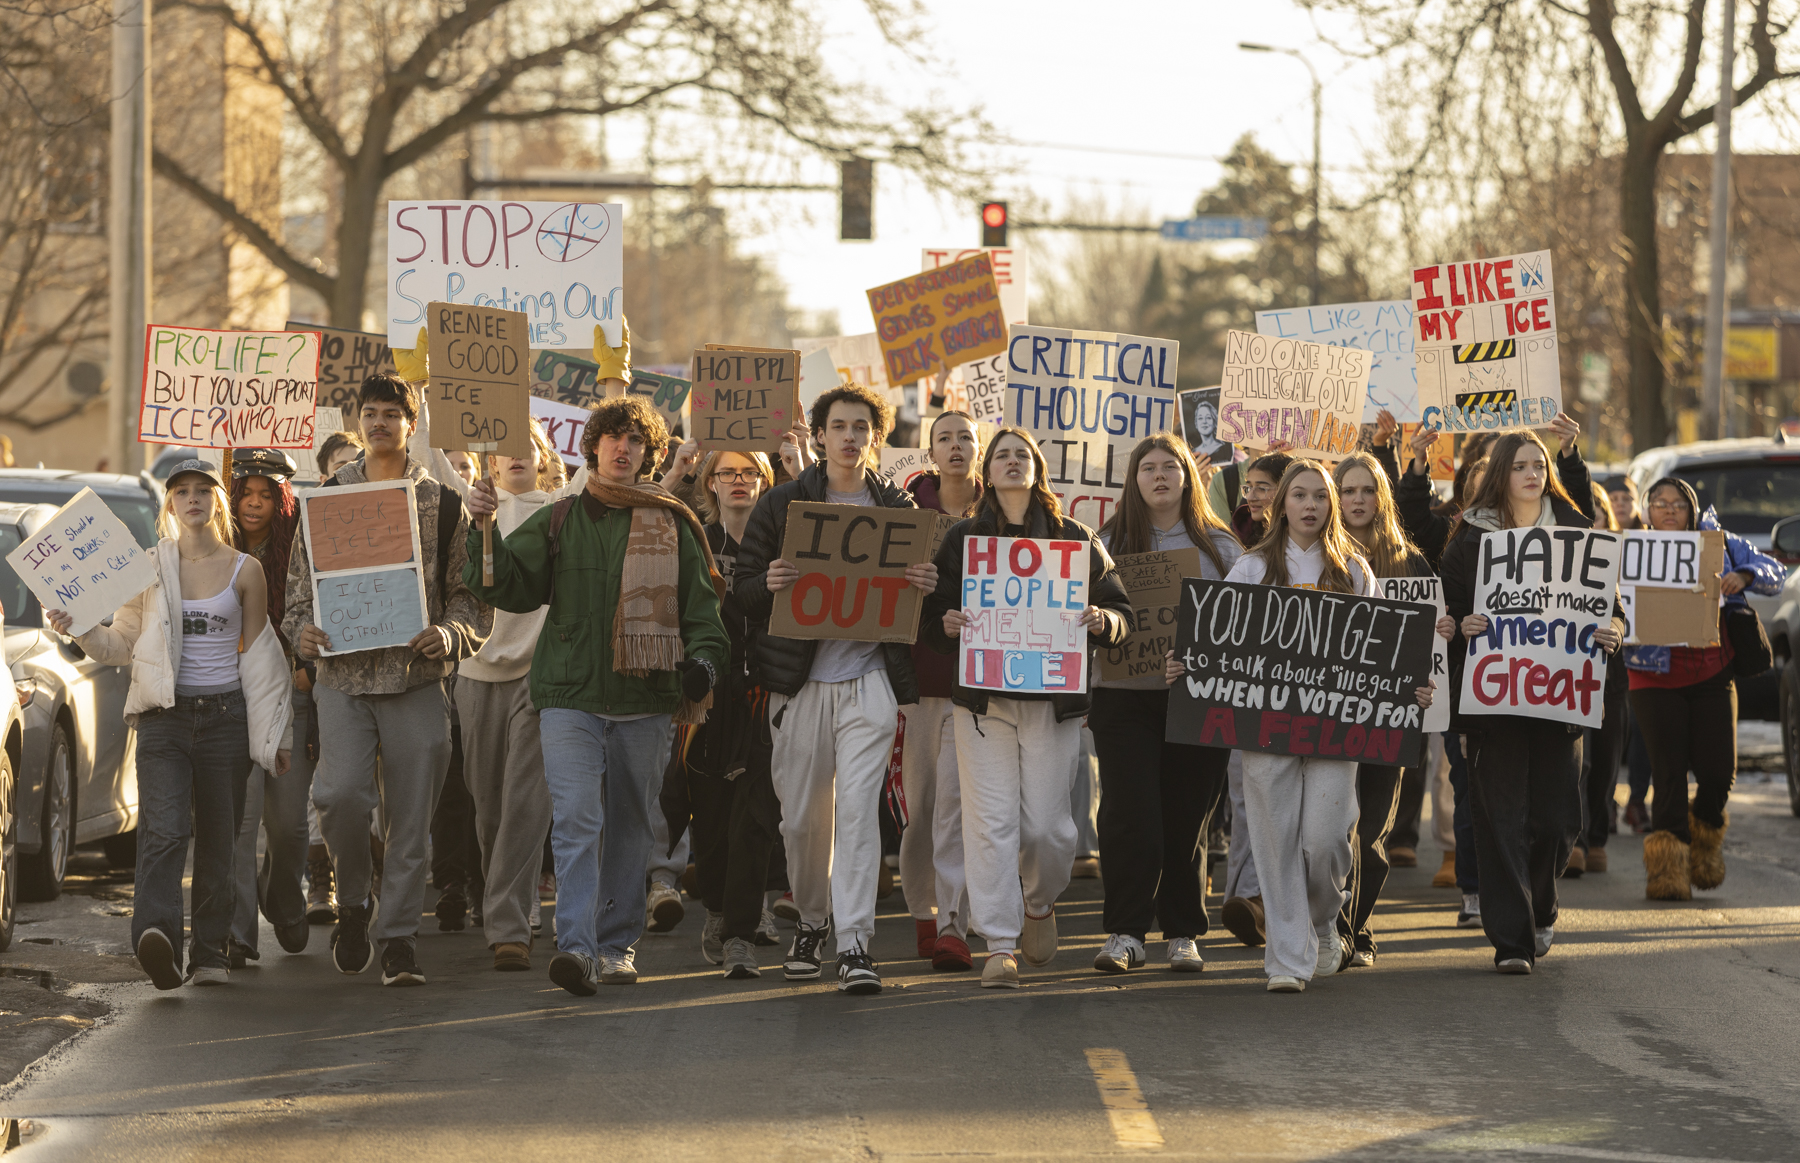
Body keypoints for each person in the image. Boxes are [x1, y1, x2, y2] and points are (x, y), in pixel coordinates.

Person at [464, 396, 728, 995]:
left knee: (632, 826)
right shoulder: (560, 518)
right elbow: (506, 583)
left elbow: (703, 613)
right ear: (592, 449)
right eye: (611, 437)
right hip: (569, 697)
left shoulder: (673, 524)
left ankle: (617, 947)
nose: (622, 448)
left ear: (650, 454)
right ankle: (577, 949)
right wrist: (481, 524)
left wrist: (704, 666)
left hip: (646, 701)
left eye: (635, 440)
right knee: (578, 820)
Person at [51, 460, 291, 988]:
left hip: (226, 717)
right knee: (163, 829)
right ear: (170, 505)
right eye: (181, 491)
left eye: (202, 489)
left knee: (218, 837)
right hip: (164, 717)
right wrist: (84, 629)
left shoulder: (244, 570)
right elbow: (121, 644)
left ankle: (209, 952)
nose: (192, 498)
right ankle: (156, 937)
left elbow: (260, 658)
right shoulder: (147, 568)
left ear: (216, 502)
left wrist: (274, 734)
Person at [285, 373, 487, 988]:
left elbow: (471, 599)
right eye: (369, 413)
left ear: (412, 419)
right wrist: (303, 633)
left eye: (391, 414)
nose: (379, 423)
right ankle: (353, 903)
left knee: (410, 819)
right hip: (343, 681)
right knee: (340, 796)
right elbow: (297, 595)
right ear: (359, 419)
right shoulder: (327, 498)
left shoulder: (444, 504)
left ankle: (398, 937)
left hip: (418, 681)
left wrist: (449, 636)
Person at [734, 383, 937, 996]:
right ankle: (813, 923)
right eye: (838, 426)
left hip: (870, 684)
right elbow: (740, 591)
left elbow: (918, 615)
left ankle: (854, 942)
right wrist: (766, 581)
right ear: (819, 435)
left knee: (856, 814)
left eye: (860, 427)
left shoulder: (899, 512)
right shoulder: (781, 505)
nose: (849, 436)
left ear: (875, 438)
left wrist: (927, 586)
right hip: (797, 687)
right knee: (801, 822)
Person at [1197, 460, 1429, 992]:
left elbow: (1384, 651)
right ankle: (1285, 959)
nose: (1310, 505)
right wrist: (1191, 668)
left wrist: (1409, 687)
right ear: (1281, 506)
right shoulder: (1251, 569)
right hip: (1266, 732)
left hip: (1334, 732)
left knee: (1326, 841)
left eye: (1319, 496)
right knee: (1275, 843)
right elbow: (1220, 643)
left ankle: (1325, 920)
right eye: (1298, 495)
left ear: (1330, 506)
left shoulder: (1354, 570)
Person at [923, 427, 1133, 989]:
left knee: (1047, 829)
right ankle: (999, 943)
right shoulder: (963, 541)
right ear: (987, 473)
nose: (1012, 463)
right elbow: (933, 612)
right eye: (1002, 456)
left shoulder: (1078, 540)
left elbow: (1121, 612)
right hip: (982, 704)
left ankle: (1038, 902)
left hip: (1051, 704)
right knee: (989, 825)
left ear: (1038, 469)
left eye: (1022, 455)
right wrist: (943, 625)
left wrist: (1102, 621)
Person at [1441, 418, 1620, 974]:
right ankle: (1512, 940)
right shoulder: (1470, 536)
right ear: (1500, 473)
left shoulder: (1574, 526)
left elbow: (1607, 601)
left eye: (1538, 465)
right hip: (1493, 701)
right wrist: (1460, 625)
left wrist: (1614, 626)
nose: (1531, 474)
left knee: (1558, 816)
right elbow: (1444, 612)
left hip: (1560, 699)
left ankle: (1541, 906)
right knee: (1499, 815)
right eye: (1519, 466)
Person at [1090, 435, 1239, 974]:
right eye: (1147, 468)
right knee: (1131, 816)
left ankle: (1181, 932)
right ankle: (1125, 933)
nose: (1158, 476)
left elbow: (1243, 623)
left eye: (1168, 466)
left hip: (1196, 701)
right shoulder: (1105, 541)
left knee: (1185, 821)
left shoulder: (1222, 548)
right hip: (1122, 699)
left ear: (1187, 476)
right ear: (1133, 480)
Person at [1626, 477, 1782, 900]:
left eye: (1679, 503)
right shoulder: (1630, 550)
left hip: (1714, 672)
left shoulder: (1719, 543)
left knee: (1718, 772)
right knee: (1669, 773)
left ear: (1692, 510)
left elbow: (1776, 574)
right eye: (1660, 503)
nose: (1670, 510)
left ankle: (1704, 839)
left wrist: (1743, 574)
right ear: (1647, 512)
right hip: (1652, 676)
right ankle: (1668, 872)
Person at [1331, 451, 1455, 966]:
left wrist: (1442, 630)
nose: (1357, 500)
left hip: (1393, 718)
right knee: (1332, 827)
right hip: (1328, 715)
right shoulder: (1320, 556)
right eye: (1348, 491)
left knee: (1373, 829)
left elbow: (1434, 628)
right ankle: (1333, 929)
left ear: (1380, 499)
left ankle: (1358, 924)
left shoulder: (1410, 562)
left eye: (1366, 491)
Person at [455, 420, 559, 971]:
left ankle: (509, 927)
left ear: (543, 458)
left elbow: (603, 462)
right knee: (490, 806)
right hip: (476, 674)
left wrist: (615, 380)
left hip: (541, 679)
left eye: (528, 447)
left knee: (526, 803)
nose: (515, 455)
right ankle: (508, 907)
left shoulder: (562, 509)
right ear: (488, 464)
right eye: (502, 450)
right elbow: (424, 450)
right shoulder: (469, 508)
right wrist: (420, 382)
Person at [678, 448, 784, 978]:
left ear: (766, 482)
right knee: (714, 818)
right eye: (727, 473)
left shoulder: (780, 545)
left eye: (750, 473)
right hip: (709, 696)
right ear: (710, 483)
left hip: (766, 694)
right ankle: (719, 909)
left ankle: (740, 931)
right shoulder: (694, 542)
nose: (739, 482)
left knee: (757, 816)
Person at [223, 449, 312, 966]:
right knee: (238, 819)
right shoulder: (212, 543)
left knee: (288, 822)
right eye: (244, 493)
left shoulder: (304, 544)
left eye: (264, 495)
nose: (253, 504)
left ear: (282, 498)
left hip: (289, 697)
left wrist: (310, 668)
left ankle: (282, 896)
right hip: (229, 699)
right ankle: (239, 933)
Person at [900, 411, 982, 972]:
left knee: (967, 806)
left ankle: (955, 920)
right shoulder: (907, 513)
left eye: (966, 438)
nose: (956, 446)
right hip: (923, 680)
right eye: (945, 438)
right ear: (931, 452)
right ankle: (922, 912)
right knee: (923, 807)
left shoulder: (1005, 509)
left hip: (984, 683)